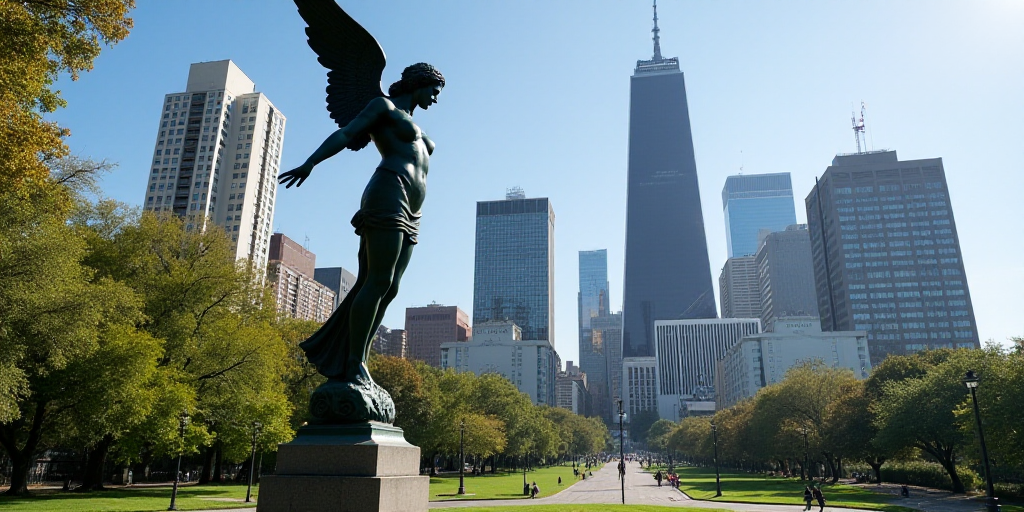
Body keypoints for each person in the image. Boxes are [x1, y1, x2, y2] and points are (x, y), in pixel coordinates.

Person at [280, 60, 445, 388]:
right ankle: (354, 363)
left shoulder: (416, 125)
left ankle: (359, 358)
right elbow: (346, 133)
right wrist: (310, 162)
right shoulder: (383, 106)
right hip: (388, 193)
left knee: (391, 287)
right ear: (418, 83)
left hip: (413, 209)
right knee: (377, 280)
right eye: (434, 91)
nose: (436, 99)